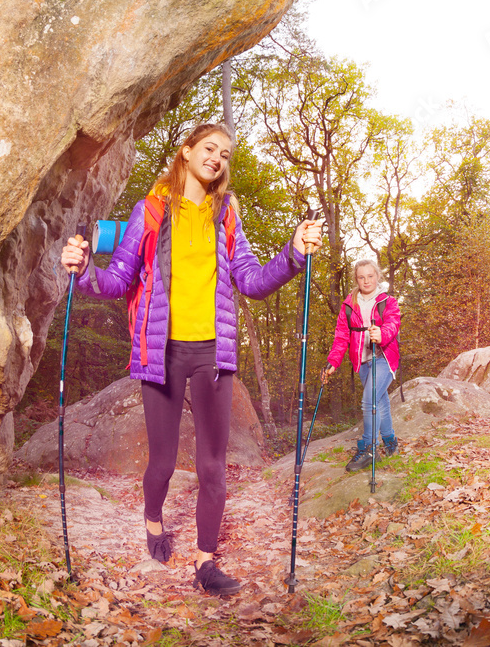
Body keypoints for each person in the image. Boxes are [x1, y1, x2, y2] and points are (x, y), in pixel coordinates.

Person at [60, 122, 323, 596]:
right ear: (186, 152)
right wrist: (83, 272)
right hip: (160, 354)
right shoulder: (151, 211)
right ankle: (154, 520)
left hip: (212, 357)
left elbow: (252, 281)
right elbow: (118, 279)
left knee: (212, 467)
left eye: (225, 153)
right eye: (209, 148)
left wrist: (294, 254)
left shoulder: (225, 218)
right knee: (161, 463)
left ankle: (205, 563)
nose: (217, 158)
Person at [322, 259, 401, 472]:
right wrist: (333, 361)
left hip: (383, 357)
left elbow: (393, 325)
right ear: (356, 279)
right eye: (361, 277)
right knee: (380, 400)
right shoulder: (350, 304)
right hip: (362, 361)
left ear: (377, 276)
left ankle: (368, 449)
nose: (366, 280)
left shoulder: (388, 302)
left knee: (369, 400)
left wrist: (381, 334)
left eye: (370, 276)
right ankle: (390, 441)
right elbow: (341, 336)